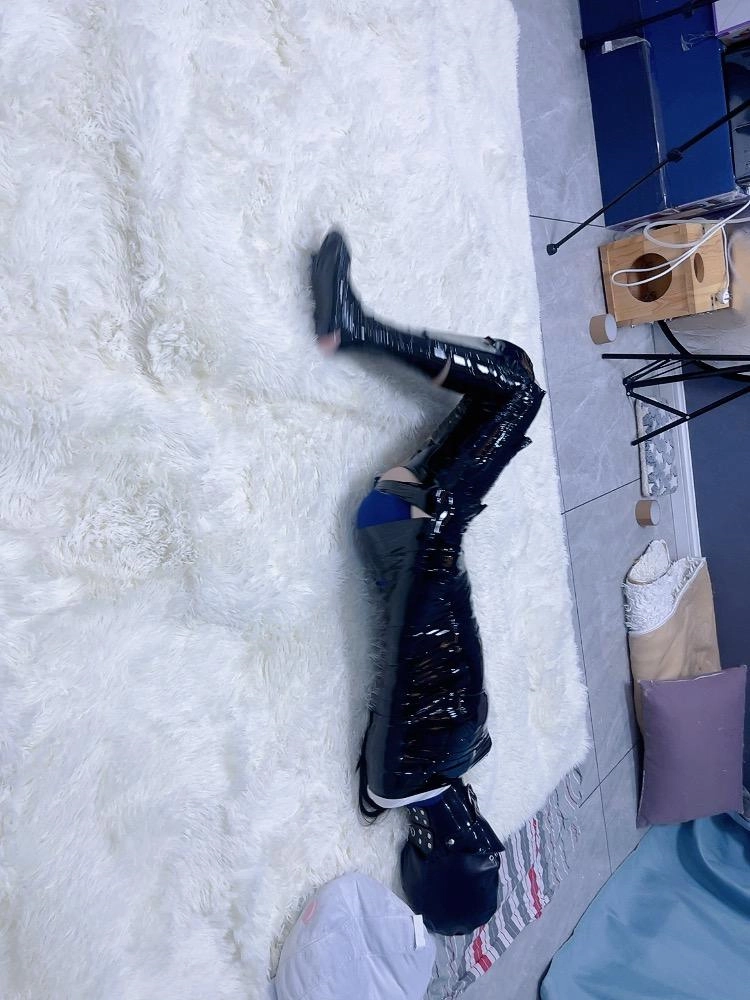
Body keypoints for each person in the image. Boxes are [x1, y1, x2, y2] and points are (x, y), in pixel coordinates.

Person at [310, 231, 545, 936]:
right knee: (512, 375)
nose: (485, 836)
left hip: (414, 533)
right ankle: (355, 329)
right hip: (416, 531)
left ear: (437, 856)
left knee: (517, 392)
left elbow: (411, 642)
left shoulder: (407, 773)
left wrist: (443, 521)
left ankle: (355, 329)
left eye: (476, 856)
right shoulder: (422, 773)